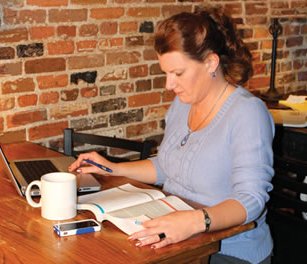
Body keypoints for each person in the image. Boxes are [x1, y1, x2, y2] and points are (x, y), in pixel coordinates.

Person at [69, 7, 274, 264]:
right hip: (180, 239)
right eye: (166, 73)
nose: (169, 84)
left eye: (178, 73)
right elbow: (168, 165)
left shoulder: (248, 113)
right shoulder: (183, 103)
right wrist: (114, 169)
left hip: (228, 249)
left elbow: (251, 200)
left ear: (211, 63)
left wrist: (194, 222)